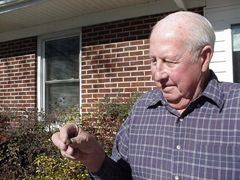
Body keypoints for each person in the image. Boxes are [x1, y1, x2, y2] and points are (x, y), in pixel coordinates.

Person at [51, 11, 240, 179]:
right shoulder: (143, 108)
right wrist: (95, 157)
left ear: (204, 58)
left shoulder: (236, 107)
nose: (157, 75)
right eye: (153, 60)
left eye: (169, 61)